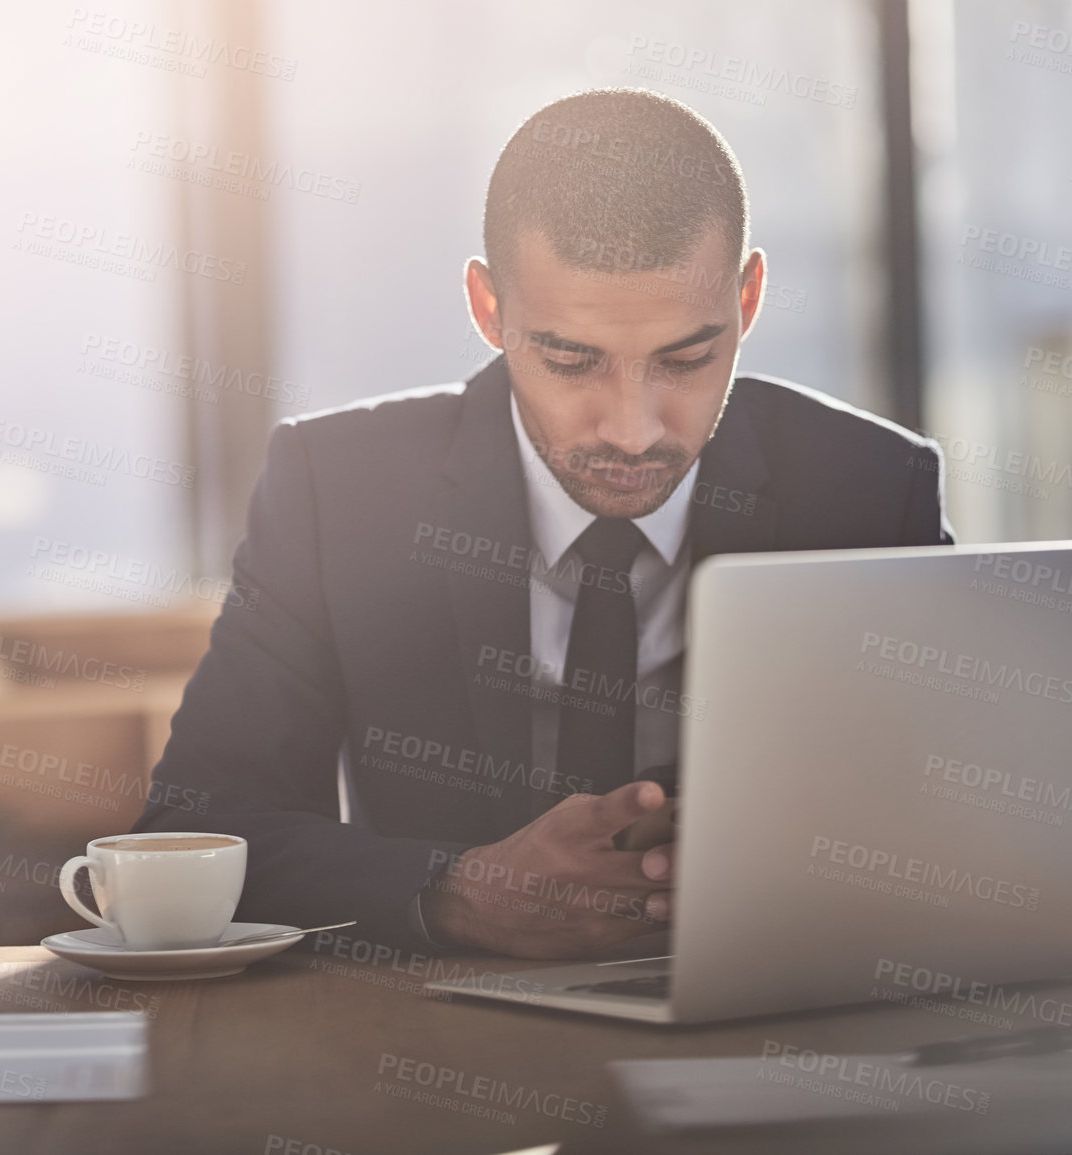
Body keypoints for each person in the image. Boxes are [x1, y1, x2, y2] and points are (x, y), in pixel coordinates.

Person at [132, 88, 952, 959]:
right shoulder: (341, 491)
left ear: (747, 299)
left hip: (772, 1018)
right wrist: (454, 892)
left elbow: (959, 818)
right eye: (571, 360)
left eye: (685, 358)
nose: (632, 428)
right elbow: (194, 833)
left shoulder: (869, 487)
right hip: (436, 1042)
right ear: (490, 311)